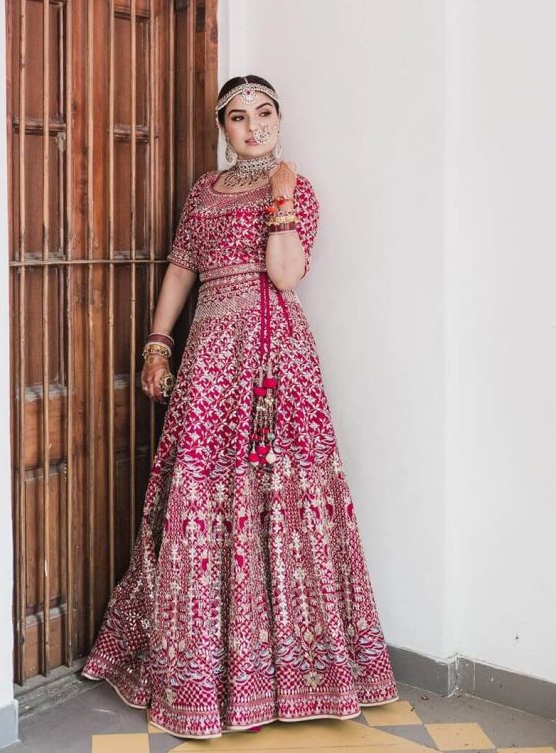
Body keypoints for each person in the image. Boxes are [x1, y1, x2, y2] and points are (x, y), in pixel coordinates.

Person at [81, 74, 399, 739]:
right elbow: (181, 267)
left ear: (280, 118)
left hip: (275, 362)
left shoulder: (296, 188)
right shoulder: (203, 192)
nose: (252, 127)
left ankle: (290, 674)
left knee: (281, 498)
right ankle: (204, 671)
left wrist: (281, 198)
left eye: (263, 113)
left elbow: (285, 275)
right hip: (209, 358)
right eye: (237, 118)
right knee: (200, 494)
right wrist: (157, 345)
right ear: (222, 129)